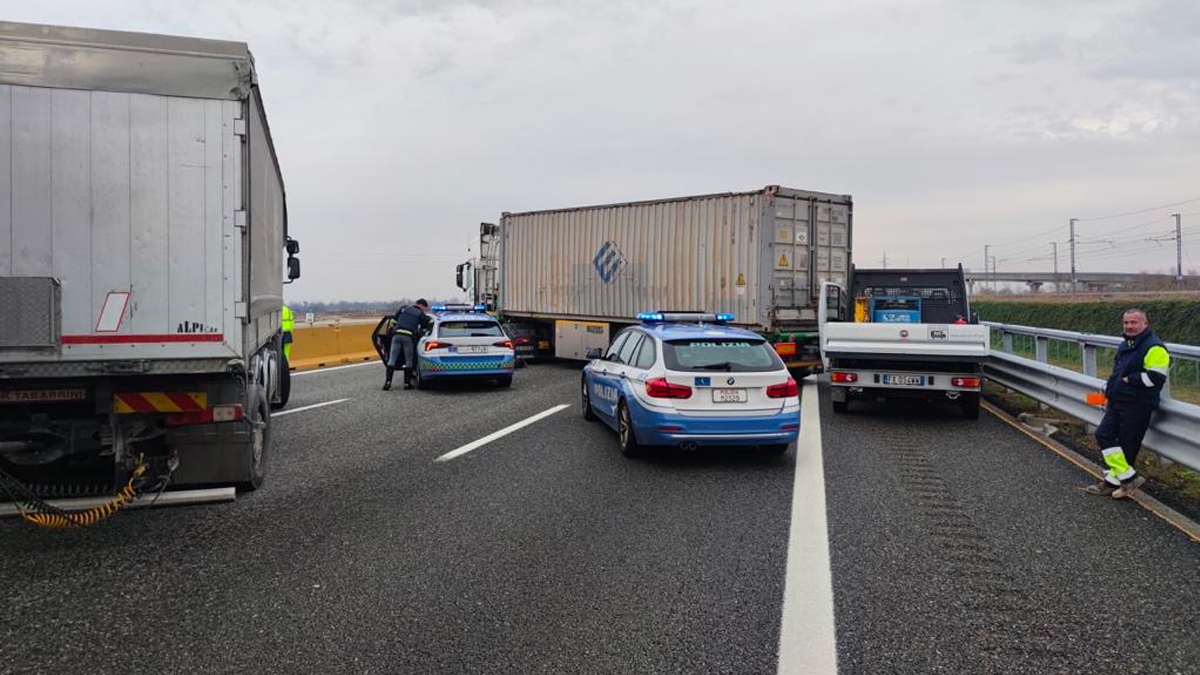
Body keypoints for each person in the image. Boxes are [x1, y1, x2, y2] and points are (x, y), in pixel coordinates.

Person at [1085, 308, 1170, 499]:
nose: (1129, 326)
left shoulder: (1154, 347)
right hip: (1118, 400)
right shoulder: (1126, 344)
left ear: (1145, 324)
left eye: (1134, 322)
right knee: (1103, 435)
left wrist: (1129, 380)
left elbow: (1156, 378)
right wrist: (1109, 393)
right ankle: (1129, 478)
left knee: (1127, 445)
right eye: (1126, 322)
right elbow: (1117, 373)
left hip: (1138, 404)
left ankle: (1113, 483)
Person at [383, 299, 432, 391]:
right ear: (422, 305)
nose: (424, 310)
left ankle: (388, 382)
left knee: (392, 359)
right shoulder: (420, 313)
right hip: (408, 337)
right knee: (408, 361)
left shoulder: (404, 308)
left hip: (396, 335)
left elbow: (394, 320)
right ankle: (407, 384)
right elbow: (424, 326)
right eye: (424, 308)